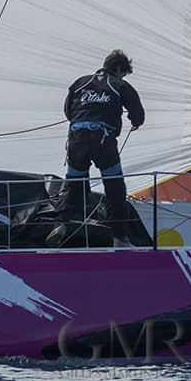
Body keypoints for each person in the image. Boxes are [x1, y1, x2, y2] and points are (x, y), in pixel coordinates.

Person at [60, 49, 146, 245]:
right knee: (115, 188)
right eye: (123, 73)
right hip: (103, 143)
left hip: (77, 140)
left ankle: (66, 230)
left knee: (75, 186)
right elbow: (138, 113)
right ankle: (120, 238)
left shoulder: (81, 82)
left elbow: (68, 112)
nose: (123, 76)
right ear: (118, 69)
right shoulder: (120, 85)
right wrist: (136, 121)